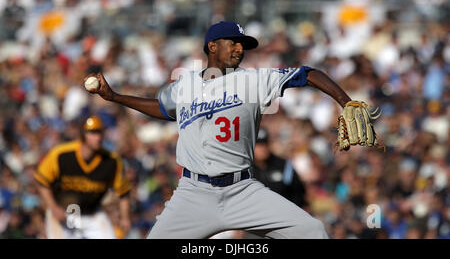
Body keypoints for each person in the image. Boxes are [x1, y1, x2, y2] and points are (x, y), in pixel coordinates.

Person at [85, 21, 356, 239]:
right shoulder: (184, 85)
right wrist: (116, 97)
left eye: (242, 45)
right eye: (233, 42)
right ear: (212, 46)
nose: (240, 48)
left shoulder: (254, 80)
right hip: (193, 193)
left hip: (243, 190)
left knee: (314, 232)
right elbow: (163, 108)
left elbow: (308, 73)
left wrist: (346, 102)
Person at [34, 116, 132, 239]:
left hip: (92, 213)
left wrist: (125, 218)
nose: (98, 137)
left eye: (100, 132)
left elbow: (123, 193)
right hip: (63, 212)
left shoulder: (111, 161)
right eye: (93, 132)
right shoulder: (62, 154)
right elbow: (41, 181)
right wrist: (53, 207)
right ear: (82, 134)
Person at [253, 128, 307, 209]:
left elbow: (298, 191)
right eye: (259, 145)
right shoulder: (245, 169)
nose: (262, 149)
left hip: (284, 215)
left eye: (265, 144)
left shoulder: (284, 166)